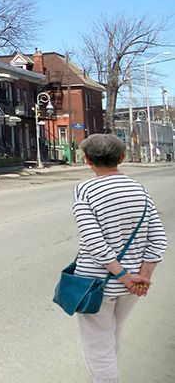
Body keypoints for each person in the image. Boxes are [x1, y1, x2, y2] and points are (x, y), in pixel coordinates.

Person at [71, 133, 167, 382]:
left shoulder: (84, 190)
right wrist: (143, 276)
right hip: (133, 285)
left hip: (96, 283)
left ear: (86, 160)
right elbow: (158, 238)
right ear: (122, 158)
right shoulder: (140, 189)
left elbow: (93, 241)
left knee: (97, 345)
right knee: (112, 335)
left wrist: (123, 276)